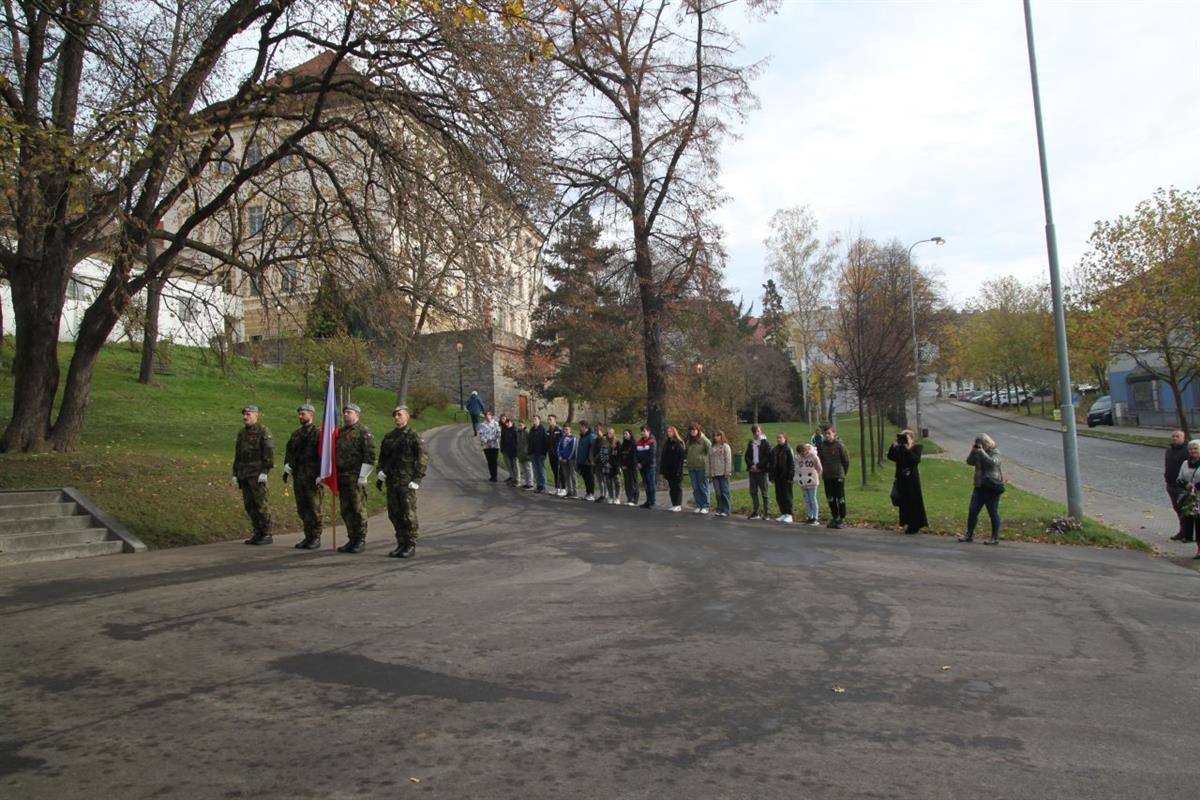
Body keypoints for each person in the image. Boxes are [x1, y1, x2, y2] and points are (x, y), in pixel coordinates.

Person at [376, 405, 427, 558]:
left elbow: (422, 458)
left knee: (409, 514)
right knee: (395, 514)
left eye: (400, 414)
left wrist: (417, 479)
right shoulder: (389, 437)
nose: (397, 417)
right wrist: (380, 471)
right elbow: (382, 457)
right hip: (392, 481)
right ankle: (401, 542)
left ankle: (411, 544)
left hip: (407, 482)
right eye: (395, 415)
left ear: (407, 417)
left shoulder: (413, 436)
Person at [335, 402, 375, 553]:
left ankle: (360, 539)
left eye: (349, 412)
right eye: (345, 412)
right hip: (342, 476)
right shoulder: (340, 432)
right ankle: (352, 538)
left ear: (357, 414)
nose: (346, 414)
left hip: (356, 477)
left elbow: (370, 455)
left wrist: (363, 475)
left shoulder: (363, 432)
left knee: (358, 509)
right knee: (346, 510)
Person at [233, 405, 274, 545]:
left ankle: (266, 533)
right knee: (249, 505)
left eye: (248, 414)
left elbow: (268, 452)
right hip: (244, 474)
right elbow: (238, 454)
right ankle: (258, 532)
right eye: (244, 414)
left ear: (256, 415)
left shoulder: (263, 431)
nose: (245, 417)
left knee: (260, 504)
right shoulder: (242, 433)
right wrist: (235, 472)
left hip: (257, 474)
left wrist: (265, 471)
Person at [283, 402, 322, 550]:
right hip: (299, 476)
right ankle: (308, 535)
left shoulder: (318, 433)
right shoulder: (296, 434)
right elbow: (290, 451)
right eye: (299, 414)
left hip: (312, 476)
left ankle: (315, 537)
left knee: (314, 507)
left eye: (303, 414)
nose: (300, 416)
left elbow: (323, 455)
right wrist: (287, 465)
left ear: (311, 415)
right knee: (302, 508)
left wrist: (321, 474)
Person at [959, 433, 1003, 545]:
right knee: (972, 511)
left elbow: (993, 463)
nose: (980, 446)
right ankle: (969, 535)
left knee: (993, 512)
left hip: (991, 487)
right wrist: (972, 451)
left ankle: (994, 537)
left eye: (981, 444)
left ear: (986, 443)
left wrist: (982, 452)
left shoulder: (995, 452)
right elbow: (969, 462)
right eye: (978, 444)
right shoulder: (978, 452)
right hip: (979, 486)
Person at [887, 429, 927, 535]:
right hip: (902, 479)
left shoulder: (917, 448)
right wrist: (894, 446)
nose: (905, 441)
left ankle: (915, 525)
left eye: (907, 438)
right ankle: (906, 522)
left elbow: (915, 460)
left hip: (912, 480)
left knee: (913, 502)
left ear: (912, 439)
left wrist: (908, 449)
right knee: (903, 502)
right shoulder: (900, 449)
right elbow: (891, 456)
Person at [817, 426, 850, 529]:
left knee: (840, 498)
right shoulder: (822, 446)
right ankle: (835, 517)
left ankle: (842, 518)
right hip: (827, 476)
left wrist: (843, 472)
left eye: (829, 433)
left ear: (834, 434)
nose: (827, 435)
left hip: (838, 476)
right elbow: (820, 460)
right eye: (826, 434)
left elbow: (846, 460)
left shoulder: (839, 445)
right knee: (830, 498)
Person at [1175, 440, 1200, 559]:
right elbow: (1179, 479)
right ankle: (1191, 541)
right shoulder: (1185, 463)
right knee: (1191, 522)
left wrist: (1195, 486)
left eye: (1196, 448)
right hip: (1190, 499)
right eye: (1190, 449)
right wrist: (1186, 485)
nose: (1193, 451)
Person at [1165, 430, 1190, 542]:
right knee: (1178, 510)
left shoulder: (1187, 451)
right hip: (1170, 484)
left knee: (1186, 510)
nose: (1175, 438)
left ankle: (1187, 533)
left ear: (1183, 438)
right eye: (1173, 436)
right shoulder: (1169, 450)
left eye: (1177, 436)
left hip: (1182, 487)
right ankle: (1183, 531)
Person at [745, 424, 771, 520]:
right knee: (753, 492)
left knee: (764, 493)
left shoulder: (766, 443)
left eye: (758, 431)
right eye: (754, 432)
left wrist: (758, 466)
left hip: (761, 471)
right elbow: (747, 456)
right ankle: (755, 512)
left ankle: (767, 513)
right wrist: (752, 465)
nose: (756, 433)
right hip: (752, 471)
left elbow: (767, 457)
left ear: (761, 431)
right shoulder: (751, 443)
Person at [685, 422, 711, 514]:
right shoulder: (689, 441)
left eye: (694, 430)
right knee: (695, 488)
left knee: (703, 487)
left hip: (702, 467)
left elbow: (710, 452)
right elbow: (687, 452)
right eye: (691, 430)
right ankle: (699, 505)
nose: (692, 431)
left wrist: (707, 464)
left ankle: (705, 506)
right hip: (692, 468)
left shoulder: (704, 440)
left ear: (698, 430)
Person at [769, 431, 795, 523]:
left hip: (786, 477)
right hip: (778, 476)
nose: (778, 439)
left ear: (785, 439)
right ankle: (783, 513)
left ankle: (789, 514)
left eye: (780, 438)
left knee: (787, 496)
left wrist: (790, 477)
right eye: (777, 438)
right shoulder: (774, 450)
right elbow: (772, 464)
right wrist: (771, 476)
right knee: (779, 496)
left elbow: (792, 465)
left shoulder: (788, 449)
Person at [795, 442, 823, 525]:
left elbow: (819, 468)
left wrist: (816, 476)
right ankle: (810, 516)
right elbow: (798, 469)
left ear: (807, 449)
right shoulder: (799, 458)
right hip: (803, 482)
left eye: (804, 451)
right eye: (801, 452)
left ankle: (815, 517)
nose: (803, 453)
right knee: (807, 500)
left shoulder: (813, 456)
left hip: (812, 481)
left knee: (812, 499)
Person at [708, 430, 733, 517]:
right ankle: (719, 508)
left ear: (721, 436)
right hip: (714, 473)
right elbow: (708, 460)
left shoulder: (725, 446)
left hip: (723, 473)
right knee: (718, 493)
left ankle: (726, 510)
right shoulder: (711, 447)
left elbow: (728, 460)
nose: (716, 437)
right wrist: (709, 472)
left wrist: (727, 471)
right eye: (714, 436)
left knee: (724, 492)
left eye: (718, 436)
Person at [661, 426, 685, 512]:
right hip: (668, 470)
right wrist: (663, 469)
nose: (669, 433)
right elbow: (663, 457)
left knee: (677, 487)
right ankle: (674, 503)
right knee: (671, 487)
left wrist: (678, 470)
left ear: (674, 432)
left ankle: (678, 504)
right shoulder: (666, 443)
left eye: (670, 431)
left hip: (676, 470)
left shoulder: (678, 443)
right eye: (668, 431)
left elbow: (680, 459)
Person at [636, 425, 657, 508]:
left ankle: (652, 501)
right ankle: (648, 501)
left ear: (649, 431)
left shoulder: (652, 441)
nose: (642, 433)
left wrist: (642, 463)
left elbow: (651, 455)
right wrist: (637, 463)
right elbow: (636, 453)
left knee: (651, 483)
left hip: (650, 466)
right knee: (646, 484)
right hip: (641, 467)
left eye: (644, 431)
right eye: (641, 431)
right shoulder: (639, 442)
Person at [577, 421, 598, 500]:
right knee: (585, 477)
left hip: (588, 462)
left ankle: (591, 493)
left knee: (590, 478)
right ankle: (588, 492)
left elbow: (592, 449)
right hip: (582, 461)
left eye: (580, 426)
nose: (579, 428)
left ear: (584, 427)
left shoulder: (591, 436)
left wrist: (589, 459)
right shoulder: (582, 436)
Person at [528, 415, 549, 493]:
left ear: (539, 420)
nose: (534, 420)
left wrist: (544, 452)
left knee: (541, 469)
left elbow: (546, 442)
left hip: (540, 453)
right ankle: (538, 485)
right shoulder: (532, 429)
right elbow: (529, 441)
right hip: (533, 453)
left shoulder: (543, 429)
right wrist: (529, 452)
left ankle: (543, 486)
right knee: (536, 470)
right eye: (533, 419)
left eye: (535, 419)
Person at [556, 424, 578, 498]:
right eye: (564, 429)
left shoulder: (573, 438)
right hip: (563, 459)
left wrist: (567, 458)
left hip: (571, 460)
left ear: (570, 430)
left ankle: (575, 492)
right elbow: (559, 448)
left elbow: (573, 449)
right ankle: (569, 491)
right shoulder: (562, 438)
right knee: (566, 476)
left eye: (567, 429)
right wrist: (560, 456)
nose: (565, 431)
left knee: (573, 475)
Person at [600, 429, 621, 504]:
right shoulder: (604, 443)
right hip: (607, 465)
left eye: (610, 433)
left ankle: (617, 497)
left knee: (617, 481)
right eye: (608, 433)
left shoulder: (617, 442)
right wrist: (606, 463)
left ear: (614, 434)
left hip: (615, 466)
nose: (609, 434)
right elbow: (602, 454)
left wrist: (615, 464)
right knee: (608, 481)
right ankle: (611, 497)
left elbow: (619, 455)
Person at [619, 429, 639, 506]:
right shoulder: (623, 445)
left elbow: (634, 457)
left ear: (630, 434)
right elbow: (620, 456)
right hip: (624, 467)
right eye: (624, 434)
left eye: (626, 434)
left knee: (633, 482)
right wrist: (622, 465)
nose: (625, 435)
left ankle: (634, 499)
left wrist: (628, 465)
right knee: (627, 483)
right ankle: (629, 498)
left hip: (632, 467)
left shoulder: (633, 444)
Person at [478, 410, 500, 482]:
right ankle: (492, 475)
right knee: (489, 461)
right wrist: (485, 441)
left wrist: (491, 439)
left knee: (494, 461)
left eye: (488, 415)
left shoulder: (496, 423)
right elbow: (481, 434)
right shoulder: (482, 425)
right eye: (486, 415)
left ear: (491, 416)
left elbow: (498, 433)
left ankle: (495, 476)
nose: (487, 416)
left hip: (495, 445)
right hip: (486, 445)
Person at [499, 414, 518, 486]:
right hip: (505, 448)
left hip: (512, 449)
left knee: (514, 464)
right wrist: (502, 448)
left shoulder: (512, 428)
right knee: (508, 464)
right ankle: (511, 476)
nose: (503, 420)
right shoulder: (503, 427)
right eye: (502, 419)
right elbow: (503, 439)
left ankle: (515, 478)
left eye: (504, 418)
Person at [546, 414, 563, 493]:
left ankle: (562, 488)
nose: (549, 421)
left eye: (550, 419)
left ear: (555, 420)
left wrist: (561, 453)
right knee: (554, 471)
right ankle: (557, 487)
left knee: (560, 471)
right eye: (548, 419)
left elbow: (562, 442)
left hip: (558, 454)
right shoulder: (548, 431)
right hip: (551, 454)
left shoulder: (559, 430)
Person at [516, 419, 533, 489]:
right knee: (523, 469)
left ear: (524, 425)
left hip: (527, 454)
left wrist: (529, 452)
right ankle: (526, 483)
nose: (519, 426)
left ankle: (530, 483)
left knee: (528, 469)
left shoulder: (527, 432)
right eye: (518, 425)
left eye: (521, 425)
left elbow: (530, 442)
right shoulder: (517, 432)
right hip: (520, 454)